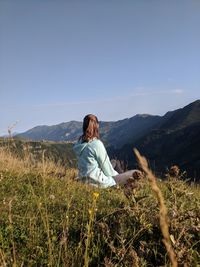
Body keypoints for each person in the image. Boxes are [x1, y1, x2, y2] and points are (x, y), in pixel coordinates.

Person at [73, 114, 141, 188]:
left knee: (114, 162)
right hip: (100, 183)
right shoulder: (96, 144)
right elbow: (108, 171)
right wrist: (119, 176)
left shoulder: (79, 144)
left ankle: (122, 179)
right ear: (97, 126)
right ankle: (124, 185)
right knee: (136, 172)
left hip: (83, 181)